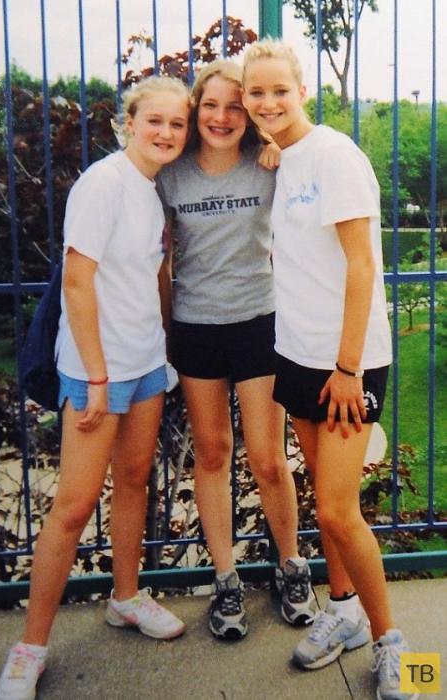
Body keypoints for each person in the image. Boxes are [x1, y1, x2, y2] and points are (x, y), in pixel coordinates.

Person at [0, 75, 191, 700]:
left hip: (147, 362)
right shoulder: (102, 184)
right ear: (128, 123)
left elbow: (153, 279)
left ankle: (125, 597)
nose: (165, 132)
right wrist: (98, 378)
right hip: (94, 370)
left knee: (133, 481)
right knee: (75, 506)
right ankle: (29, 649)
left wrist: (165, 351)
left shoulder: (154, 191)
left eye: (177, 124)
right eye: (154, 120)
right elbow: (78, 283)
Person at [242, 38, 418, 700]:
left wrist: (347, 368)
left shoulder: (335, 155)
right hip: (296, 354)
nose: (267, 102)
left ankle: (396, 648)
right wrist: (269, 149)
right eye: (256, 93)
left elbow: (362, 264)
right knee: (324, 497)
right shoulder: (282, 159)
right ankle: (342, 611)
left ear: (302, 91)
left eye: (279, 91)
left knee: (341, 511)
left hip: (349, 362)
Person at [156, 59, 316, 642]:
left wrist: (273, 144)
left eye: (233, 106)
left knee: (269, 458)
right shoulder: (169, 175)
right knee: (213, 454)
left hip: (258, 324)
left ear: (247, 113)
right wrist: (166, 334)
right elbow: (158, 258)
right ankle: (225, 581)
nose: (222, 117)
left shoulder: (269, 164)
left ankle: (291, 568)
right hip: (196, 328)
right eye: (210, 105)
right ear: (196, 110)